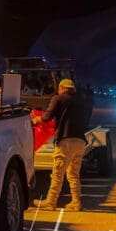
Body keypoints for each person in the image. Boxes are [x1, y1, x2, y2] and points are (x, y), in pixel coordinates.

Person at [31, 78, 91, 211]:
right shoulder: (81, 101)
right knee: (74, 174)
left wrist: (36, 119)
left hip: (65, 141)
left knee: (57, 174)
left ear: (62, 87)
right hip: (80, 141)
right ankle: (76, 202)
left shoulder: (58, 99)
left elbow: (47, 117)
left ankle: (51, 202)